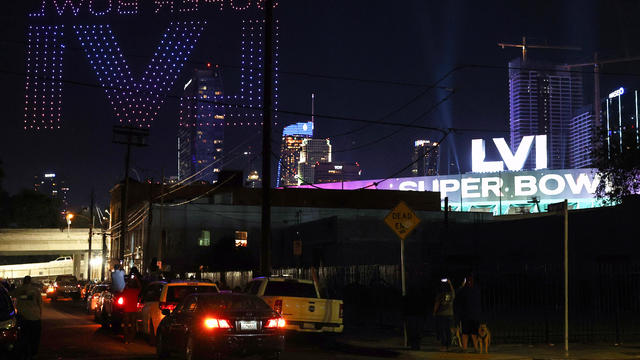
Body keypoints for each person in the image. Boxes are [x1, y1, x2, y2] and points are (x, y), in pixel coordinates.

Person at [10, 276, 43, 359]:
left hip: (23, 318)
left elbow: (10, 294)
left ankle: (23, 353)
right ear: (30, 282)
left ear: (23, 282)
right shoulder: (36, 291)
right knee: (35, 338)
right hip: (35, 318)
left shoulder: (19, 290)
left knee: (22, 337)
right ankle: (34, 354)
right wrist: (39, 315)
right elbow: (40, 303)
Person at [456, 275, 482, 352]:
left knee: (465, 333)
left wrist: (462, 286)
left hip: (466, 315)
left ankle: (465, 348)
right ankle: (476, 348)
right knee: (474, 333)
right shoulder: (476, 290)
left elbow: (457, 296)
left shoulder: (464, 290)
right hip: (474, 315)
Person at [433, 278, 455, 352]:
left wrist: (434, 312)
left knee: (442, 331)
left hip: (441, 314)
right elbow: (453, 290)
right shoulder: (451, 294)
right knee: (448, 330)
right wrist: (450, 283)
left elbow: (437, 303)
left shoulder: (440, 294)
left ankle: (444, 346)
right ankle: (449, 346)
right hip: (450, 314)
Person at [120, 276, 141, 344]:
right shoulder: (135, 292)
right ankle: (131, 339)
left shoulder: (126, 291)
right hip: (134, 311)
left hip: (126, 310)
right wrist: (137, 280)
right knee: (133, 325)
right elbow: (140, 288)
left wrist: (127, 282)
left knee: (126, 325)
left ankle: (126, 339)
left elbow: (122, 290)